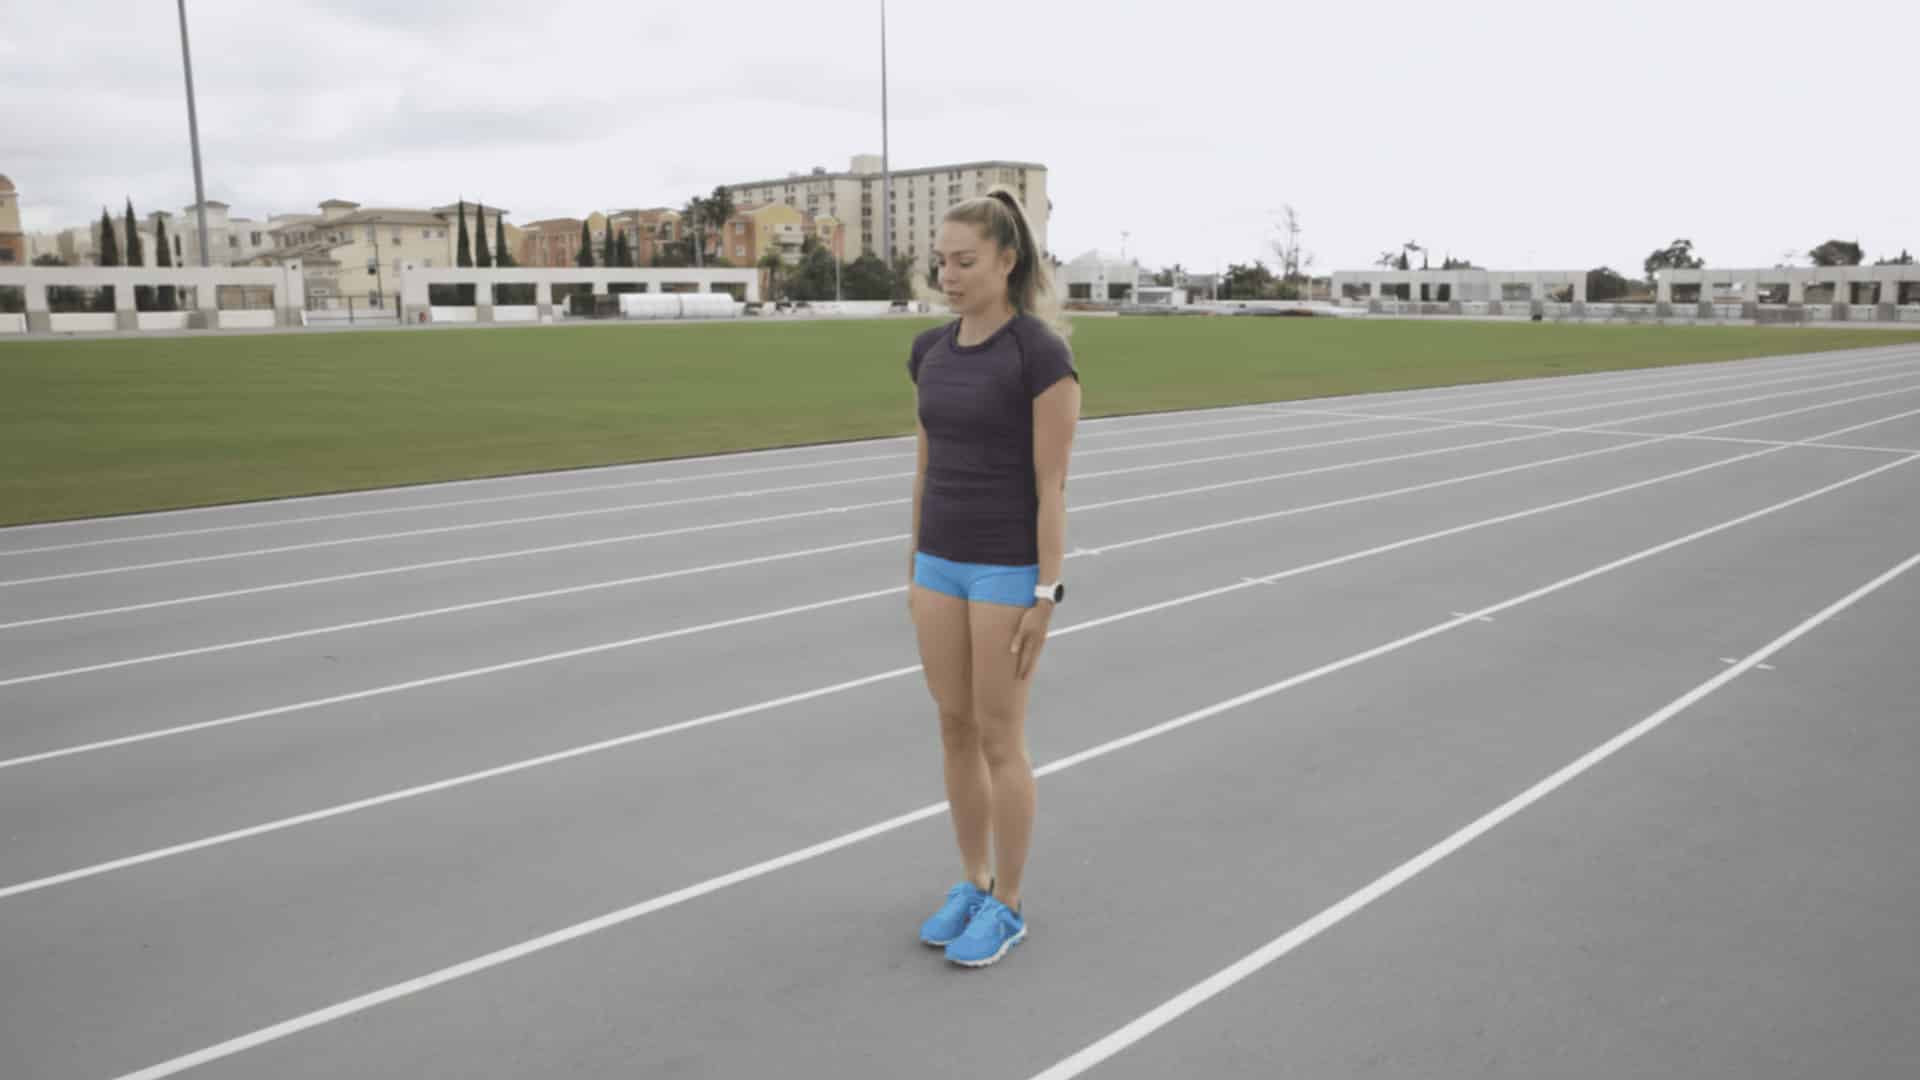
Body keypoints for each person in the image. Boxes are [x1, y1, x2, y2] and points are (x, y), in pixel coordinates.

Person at [906, 187, 1080, 968]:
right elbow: (924, 466)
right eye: (941, 261)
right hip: (938, 566)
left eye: (965, 261)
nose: (948, 275)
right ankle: (973, 880)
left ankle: (1008, 903)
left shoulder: (1037, 355)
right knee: (954, 726)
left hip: (1006, 569)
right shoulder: (929, 351)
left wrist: (1046, 593)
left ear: (1007, 261)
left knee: (1000, 739)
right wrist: (913, 566)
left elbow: (1053, 484)